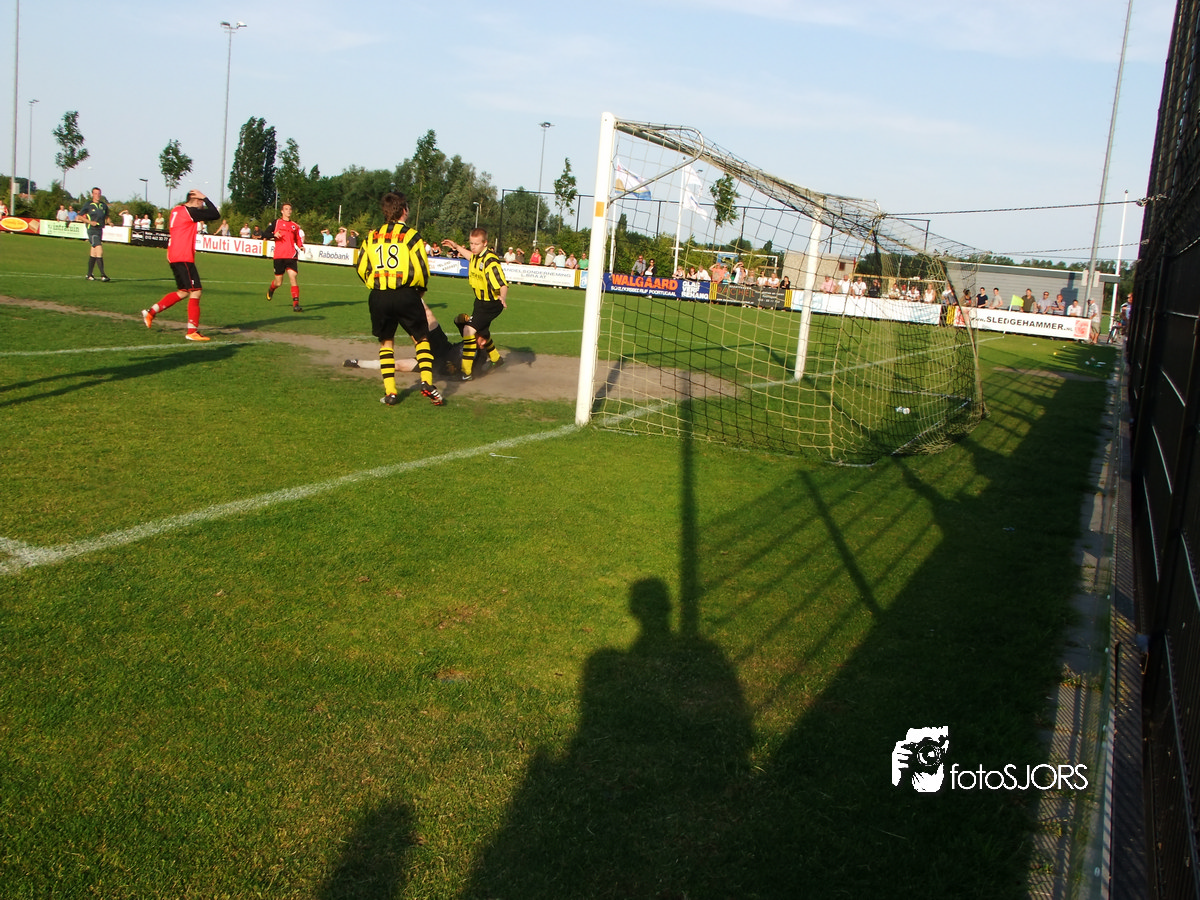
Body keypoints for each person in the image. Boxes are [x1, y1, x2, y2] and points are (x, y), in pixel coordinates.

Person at [355, 191, 443, 406]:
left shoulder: (372, 236)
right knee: (421, 339)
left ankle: (391, 393)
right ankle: (427, 382)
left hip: (379, 296)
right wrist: (421, 289)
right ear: (404, 210)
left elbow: (360, 266)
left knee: (386, 343)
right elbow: (421, 266)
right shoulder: (411, 235)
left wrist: (374, 284)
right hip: (405, 293)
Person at [140, 189, 221, 342]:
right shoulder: (190, 212)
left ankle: (151, 312)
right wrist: (205, 197)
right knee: (196, 291)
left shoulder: (176, 210)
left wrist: (201, 199)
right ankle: (192, 331)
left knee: (183, 291)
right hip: (183, 256)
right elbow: (215, 214)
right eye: (201, 202)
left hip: (173, 255)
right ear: (195, 199)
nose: (202, 205)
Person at [441, 227, 509, 381]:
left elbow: (502, 283)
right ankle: (496, 359)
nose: (473, 246)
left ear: (485, 243)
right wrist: (456, 246)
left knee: (468, 330)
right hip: (480, 302)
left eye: (476, 244)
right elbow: (470, 256)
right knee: (481, 333)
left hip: (492, 303)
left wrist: (503, 296)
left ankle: (466, 373)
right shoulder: (477, 256)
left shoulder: (490, 261)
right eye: (471, 243)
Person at [265, 203, 304, 311]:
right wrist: (273, 235)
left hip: (291, 255)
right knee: (279, 282)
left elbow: (297, 238)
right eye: (286, 209)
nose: (288, 211)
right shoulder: (276, 223)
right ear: (282, 211)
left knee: (293, 277)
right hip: (279, 256)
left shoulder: (295, 226)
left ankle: (296, 304)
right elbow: (265, 233)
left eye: (290, 209)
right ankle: (272, 288)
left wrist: (301, 246)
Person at [79, 186, 112, 281]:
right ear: (92, 194)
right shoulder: (88, 204)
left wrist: (110, 222)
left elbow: (107, 216)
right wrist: (90, 222)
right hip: (92, 230)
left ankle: (89, 274)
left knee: (94, 252)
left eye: (99, 193)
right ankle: (103, 275)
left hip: (99, 230)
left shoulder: (103, 205)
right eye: (95, 193)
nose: (97, 195)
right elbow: (80, 217)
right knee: (99, 250)